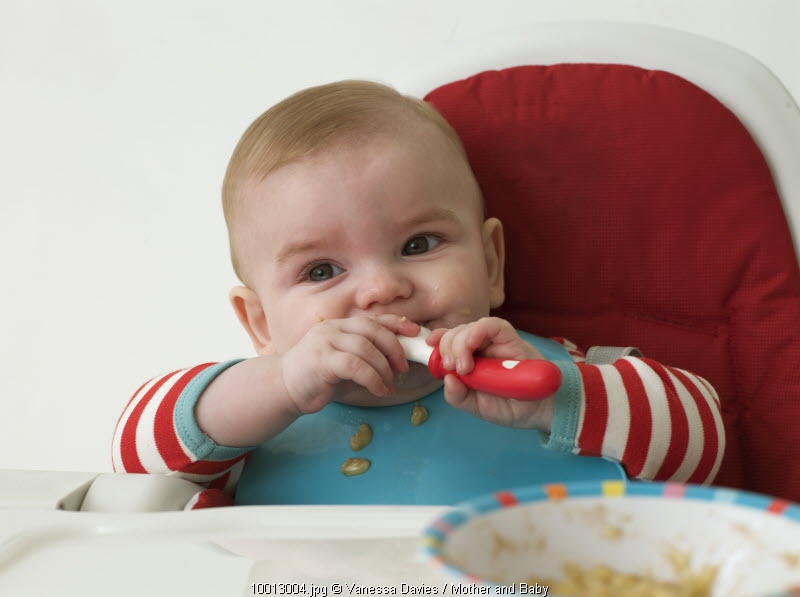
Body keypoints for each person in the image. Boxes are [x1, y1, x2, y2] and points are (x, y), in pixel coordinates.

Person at [112, 80, 725, 509]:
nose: (382, 289)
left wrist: (558, 398)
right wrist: (281, 384)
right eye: (321, 271)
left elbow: (705, 445)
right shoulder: (255, 419)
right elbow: (130, 457)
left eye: (418, 244)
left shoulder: (553, 376)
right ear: (261, 324)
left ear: (490, 263)